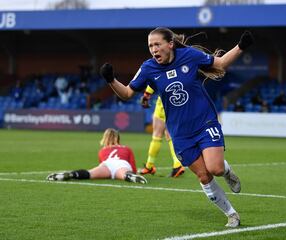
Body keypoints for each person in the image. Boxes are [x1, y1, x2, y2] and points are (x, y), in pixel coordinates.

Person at [100, 27, 254, 227]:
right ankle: (232, 214)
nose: (154, 49)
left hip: (204, 121)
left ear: (170, 44)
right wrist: (111, 80)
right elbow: (128, 93)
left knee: (215, 168)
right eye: (150, 46)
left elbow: (221, 63)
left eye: (157, 44)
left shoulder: (189, 56)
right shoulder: (148, 68)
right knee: (203, 175)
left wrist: (241, 46)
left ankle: (226, 171)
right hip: (180, 133)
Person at [47, 128, 147, 184]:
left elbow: (102, 163)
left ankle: (72, 174)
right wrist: (136, 172)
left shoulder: (102, 151)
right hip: (121, 164)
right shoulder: (127, 148)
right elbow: (133, 167)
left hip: (107, 164)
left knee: (90, 173)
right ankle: (130, 177)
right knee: (125, 174)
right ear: (118, 138)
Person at [140, 85, 186, 177]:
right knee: (169, 135)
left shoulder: (162, 69)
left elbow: (155, 77)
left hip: (164, 102)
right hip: (177, 103)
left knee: (157, 134)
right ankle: (177, 164)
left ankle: (149, 166)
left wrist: (147, 94)